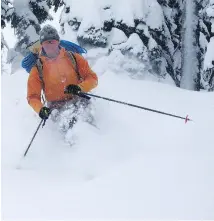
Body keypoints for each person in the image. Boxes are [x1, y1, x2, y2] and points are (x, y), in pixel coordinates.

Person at [27, 25, 98, 127]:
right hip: (56, 108)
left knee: (88, 122)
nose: (50, 48)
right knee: (68, 126)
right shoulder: (37, 69)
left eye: (53, 43)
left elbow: (92, 78)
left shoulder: (73, 58)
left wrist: (80, 87)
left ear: (58, 43)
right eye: (47, 45)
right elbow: (32, 96)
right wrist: (40, 109)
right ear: (41, 46)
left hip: (79, 98)